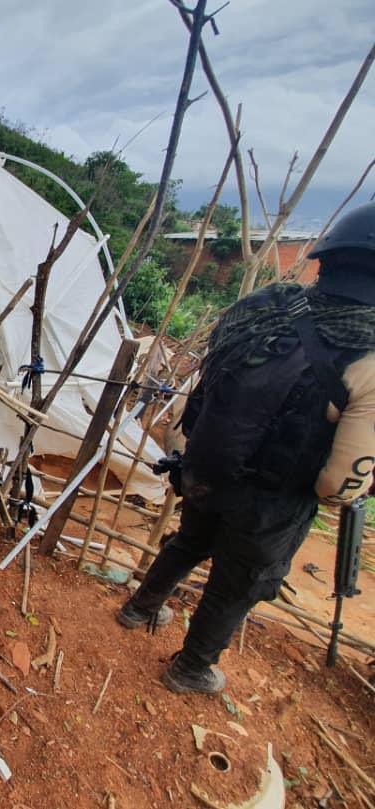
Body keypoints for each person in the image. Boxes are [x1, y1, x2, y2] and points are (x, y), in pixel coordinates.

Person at [117, 201, 375, 695]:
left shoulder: (269, 305)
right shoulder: (367, 355)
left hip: (206, 464)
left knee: (189, 541)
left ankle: (139, 608)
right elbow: (338, 485)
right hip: (271, 502)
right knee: (237, 584)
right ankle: (191, 668)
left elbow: (206, 383)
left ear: (328, 257)